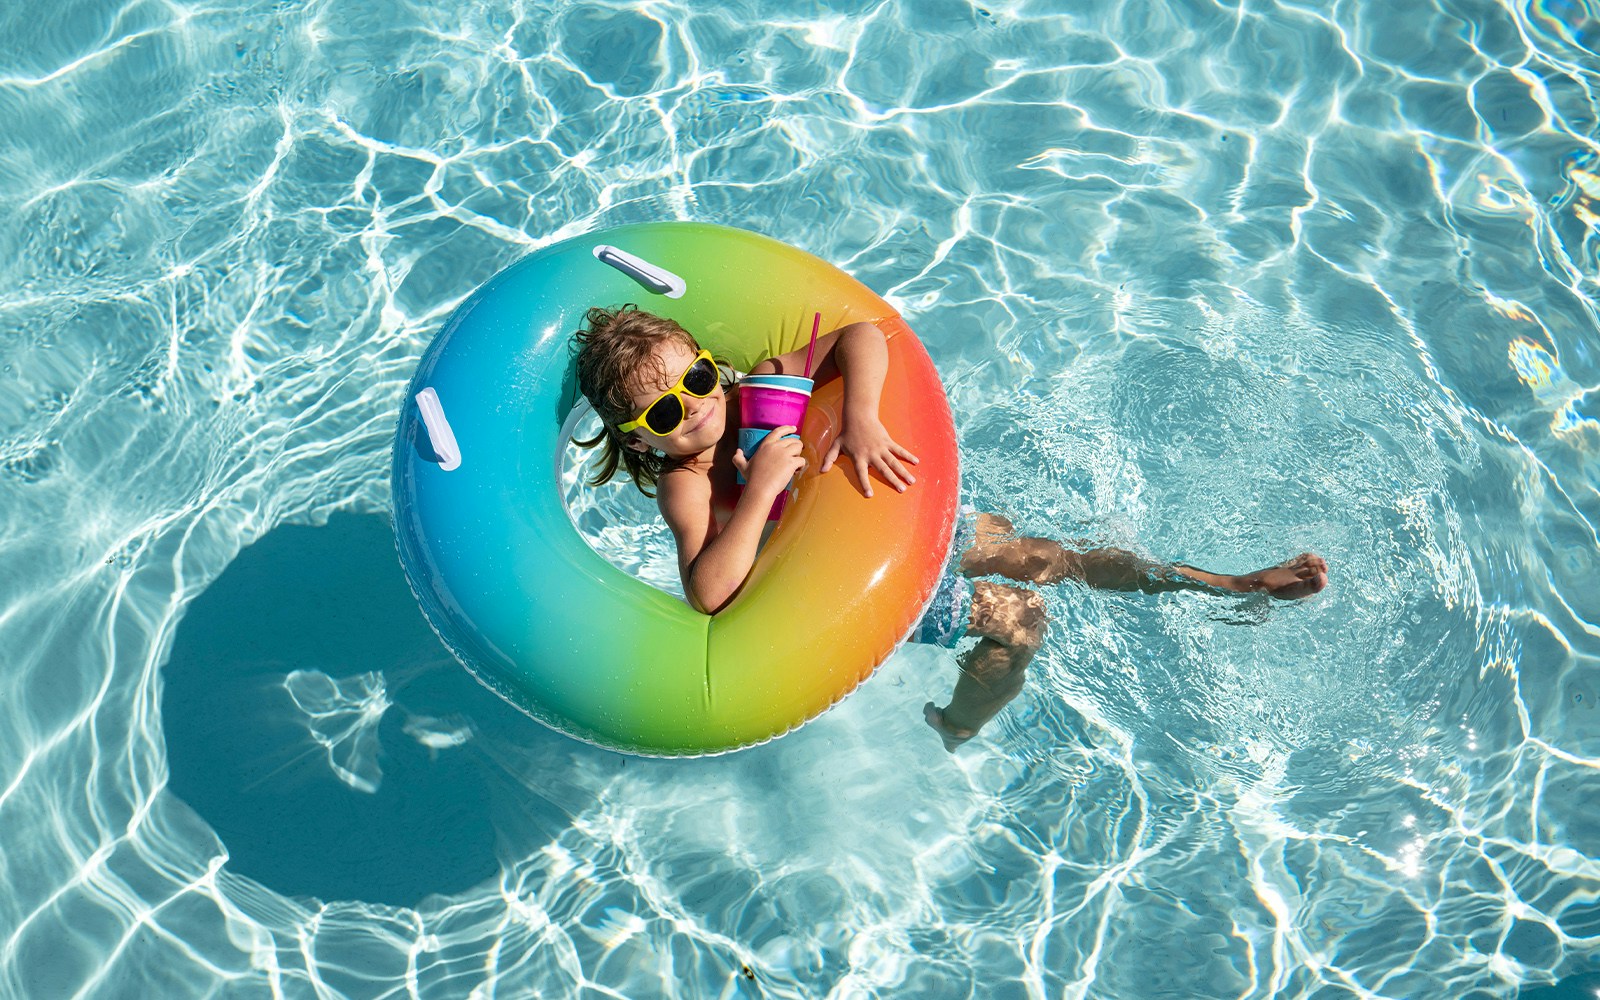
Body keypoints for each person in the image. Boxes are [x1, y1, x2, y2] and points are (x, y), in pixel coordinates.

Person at [572, 305, 1329, 751]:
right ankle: (959, 722)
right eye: (667, 412)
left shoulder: (770, 380)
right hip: (859, 580)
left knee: (1051, 560)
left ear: (712, 364)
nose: (697, 407)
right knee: (1021, 623)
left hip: (899, 516)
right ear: (640, 439)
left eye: (698, 379)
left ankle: (1226, 583)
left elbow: (863, 332)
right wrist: (765, 481)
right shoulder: (688, 484)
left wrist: (861, 417)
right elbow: (707, 592)